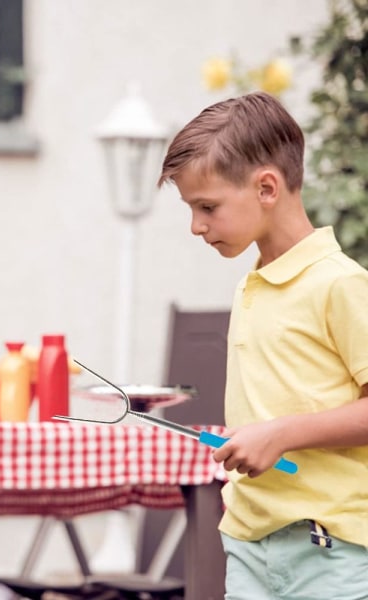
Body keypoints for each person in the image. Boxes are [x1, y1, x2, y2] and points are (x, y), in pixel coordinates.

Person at [158, 91, 368, 599]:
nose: (196, 226)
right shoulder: (254, 283)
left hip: (330, 549)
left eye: (207, 206)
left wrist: (280, 435)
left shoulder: (340, 284)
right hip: (250, 542)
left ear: (267, 187)